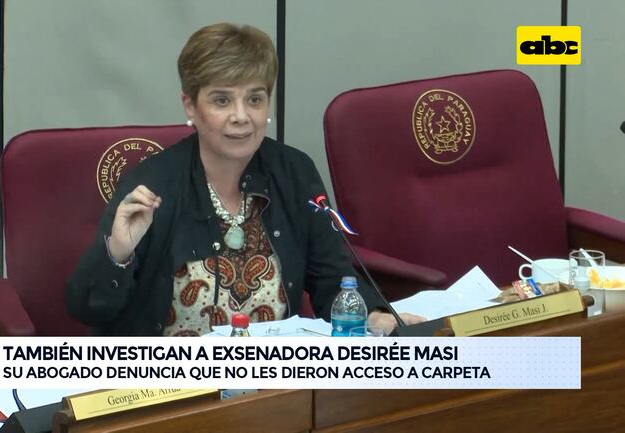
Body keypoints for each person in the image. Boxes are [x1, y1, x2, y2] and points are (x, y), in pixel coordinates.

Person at [66, 23, 424, 336]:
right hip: (170, 383)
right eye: (222, 101)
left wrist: (373, 315)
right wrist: (117, 255)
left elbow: (332, 280)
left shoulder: (294, 172)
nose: (241, 116)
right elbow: (88, 310)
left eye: (254, 99)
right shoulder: (152, 184)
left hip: (273, 378)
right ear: (190, 106)